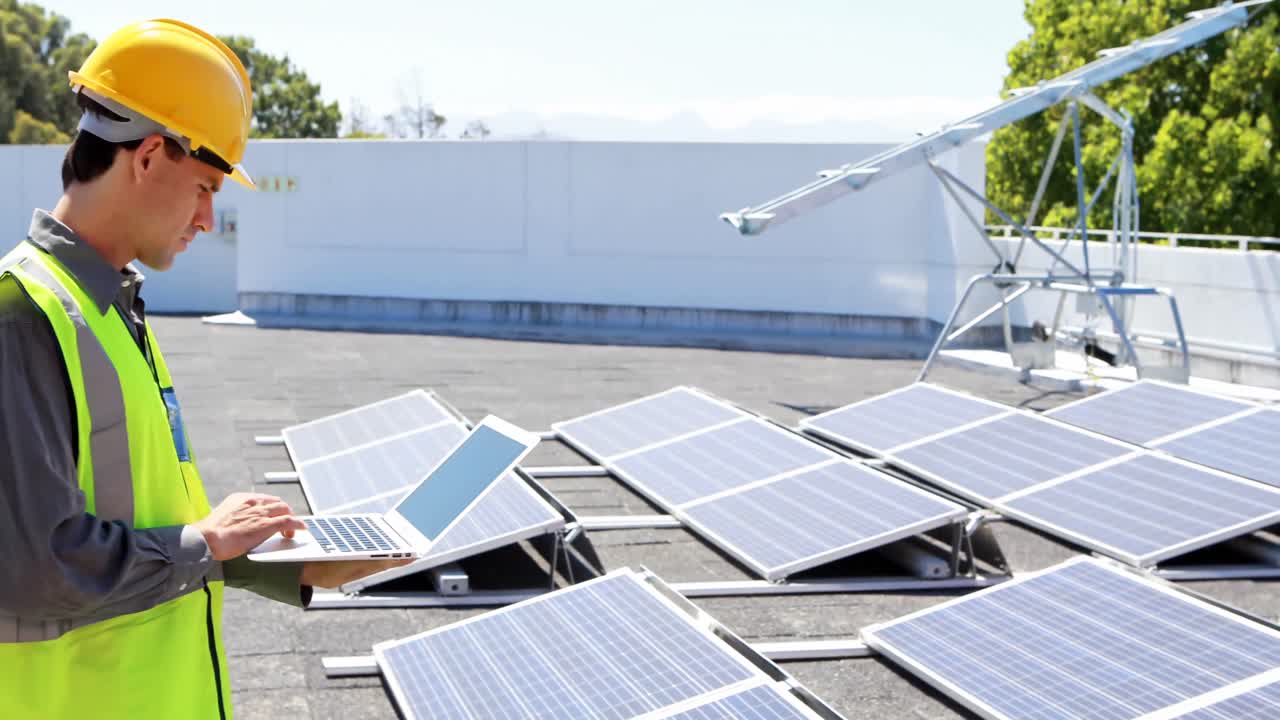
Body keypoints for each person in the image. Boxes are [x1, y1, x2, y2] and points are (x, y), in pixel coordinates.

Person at [0, 19, 400, 719]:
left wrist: (279, 562)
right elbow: (38, 568)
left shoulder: (111, 305)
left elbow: (140, 523)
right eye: (206, 187)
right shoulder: (20, 314)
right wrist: (209, 545)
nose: (209, 219)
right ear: (150, 156)